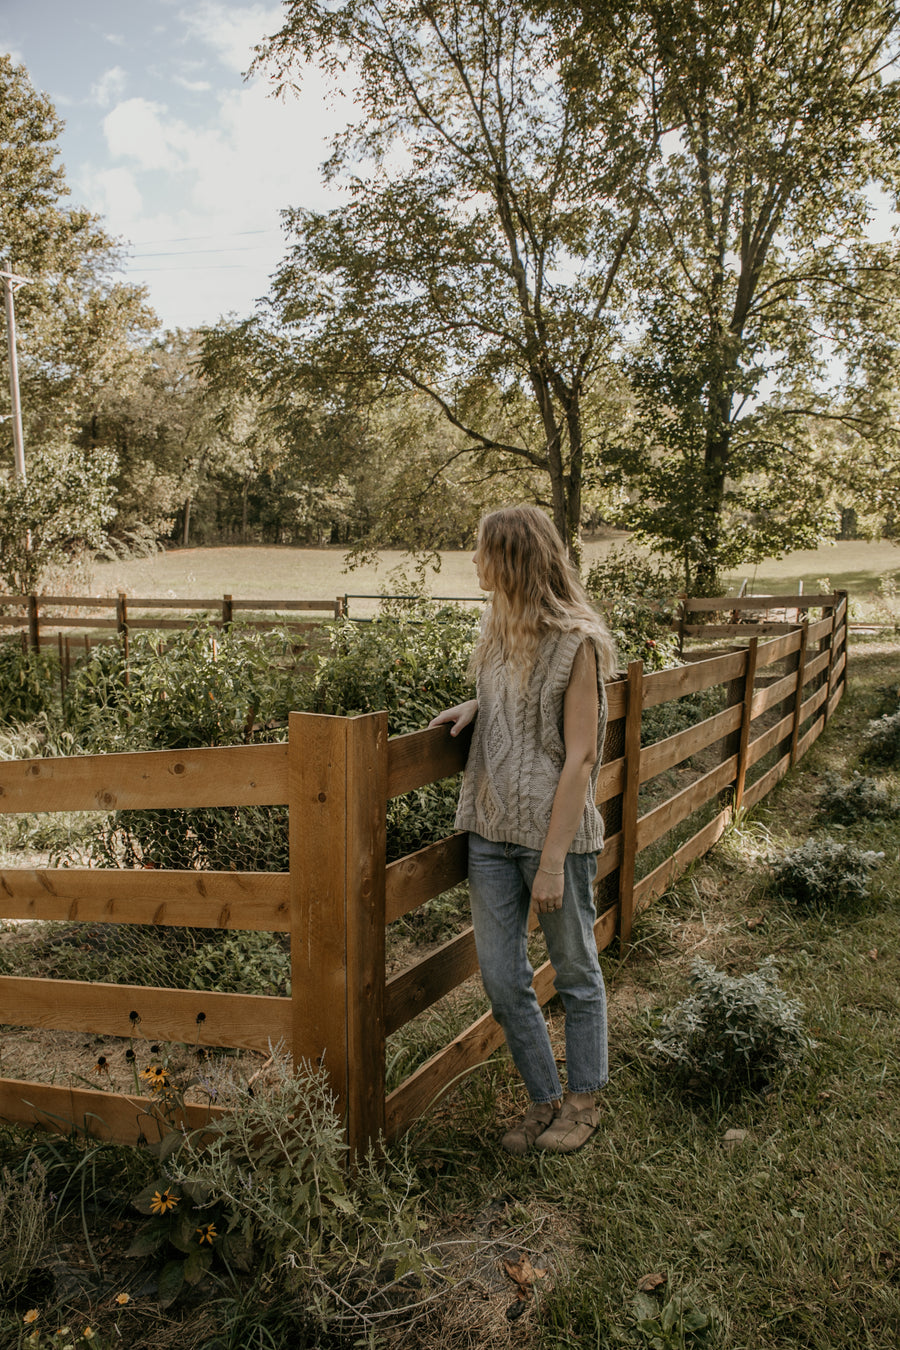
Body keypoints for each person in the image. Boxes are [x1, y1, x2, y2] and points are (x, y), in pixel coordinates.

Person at [429, 505, 617, 1154]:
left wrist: (550, 860)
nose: (473, 562)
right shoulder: (496, 629)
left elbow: (581, 755)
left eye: (480, 551)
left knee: (573, 969)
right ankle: (543, 1099)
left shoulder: (577, 641)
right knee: (503, 977)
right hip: (488, 829)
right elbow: (518, 699)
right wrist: (478, 704)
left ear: (508, 559)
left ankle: (584, 1099)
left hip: (552, 838)